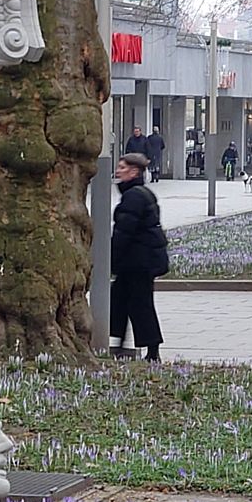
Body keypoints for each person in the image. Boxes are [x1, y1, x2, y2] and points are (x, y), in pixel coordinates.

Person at [107, 152, 168, 361]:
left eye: (122, 167)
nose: (118, 171)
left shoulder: (133, 196)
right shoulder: (142, 193)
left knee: (140, 304)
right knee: (119, 299)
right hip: (137, 261)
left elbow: (124, 232)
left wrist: (111, 259)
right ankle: (119, 343)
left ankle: (152, 351)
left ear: (134, 172)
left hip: (138, 262)